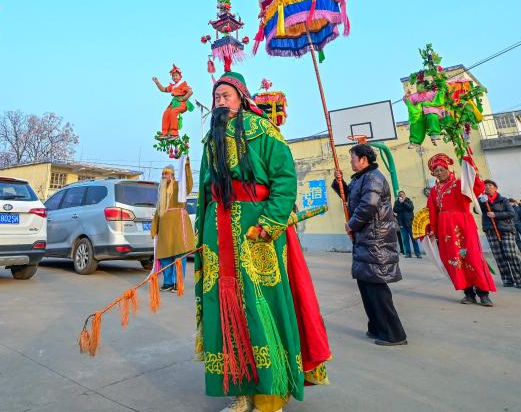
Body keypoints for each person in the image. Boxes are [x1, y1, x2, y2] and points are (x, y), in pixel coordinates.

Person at [195, 72, 330, 412]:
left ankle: (271, 394)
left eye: (226, 95)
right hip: (217, 234)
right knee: (224, 310)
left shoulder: (265, 131)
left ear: (242, 98)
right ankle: (240, 391)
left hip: (257, 231)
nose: (220, 101)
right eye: (216, 97)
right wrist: (200, 234)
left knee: (262, 305)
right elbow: (205, 191)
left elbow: (285, 180)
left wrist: (269, 223)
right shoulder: (211, 140)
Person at [333, 143, 407, 346]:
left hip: (375, 239)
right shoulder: (361, 178)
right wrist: (339, 182)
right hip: (366, 238)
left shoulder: (373, 178)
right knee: (366, 285)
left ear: (364, 159)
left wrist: (351, 224)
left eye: (352, 158)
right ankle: (377, 327)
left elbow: (368, 205)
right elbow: (351, 198)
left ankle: (394, 334)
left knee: (376, 287)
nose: (351, 162)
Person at [426, 153, 496, 306]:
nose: (439, 173)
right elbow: (432, 212)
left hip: (463, 225)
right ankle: (468, 293)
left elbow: (477, 187)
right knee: (455, 260)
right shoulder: (434, 191)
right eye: (436, 171)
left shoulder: (459, 183)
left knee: (473, 258)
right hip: (446, 230)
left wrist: (470, 166)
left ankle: (484, 293)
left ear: (448, 169)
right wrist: (433, 230)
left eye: (442, 170)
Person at [151, 164, 195, 291]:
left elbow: (189, 184)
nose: (164, 176)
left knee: (179, 255)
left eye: (166, 173)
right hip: (164, 228)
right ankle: (168, 282)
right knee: (165, 256)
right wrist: (154, 228)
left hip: (178, 226)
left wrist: (186, 166)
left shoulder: (179, 186)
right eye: (162, 174)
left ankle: (178, 282)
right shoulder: (162, 190)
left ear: (172, 175)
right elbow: (158, 211)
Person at [479, 180, 521, 289]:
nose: (487, 187)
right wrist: (480, 201)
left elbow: (511, 213)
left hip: (506, 229)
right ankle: (507, 279)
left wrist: (496, 214)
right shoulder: (482, 200)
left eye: (490, 185)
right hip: (491, 230)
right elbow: (476, 210)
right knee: (499, 256)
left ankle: (518, 279)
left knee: (510, 254)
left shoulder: (503, 200)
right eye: (485, 185)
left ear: (495, 188)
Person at [152, 65, 194, 140]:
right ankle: (165, 133)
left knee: (173, 112)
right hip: (174, 103)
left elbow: (190, 92)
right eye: (173, 76)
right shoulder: (173, 86)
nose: (174, 77)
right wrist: (157, 82)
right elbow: (163, 89)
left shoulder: (182, 84)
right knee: (166, 113)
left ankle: (174, 133)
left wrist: (183, 98)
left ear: (180, 76)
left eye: (176, 75)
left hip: (182, 103)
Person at [394, 190, 421, 259]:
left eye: (402, 194)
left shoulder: (408, 201)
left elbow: (411, 208)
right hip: (402, 224)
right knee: (405, 240)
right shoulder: (397, 202)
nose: (401, 196)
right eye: (400, 195)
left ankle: (418, 253)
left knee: (414, 239)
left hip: (410, 223)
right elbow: (395, 209)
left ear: (405, 195)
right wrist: (401, 204)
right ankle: (408, 253)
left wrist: (403, 203)